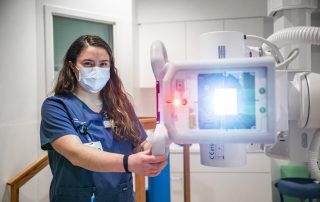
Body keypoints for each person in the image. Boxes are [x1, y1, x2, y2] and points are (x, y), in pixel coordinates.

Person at [40, 35, 167, 202]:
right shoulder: (56, 107)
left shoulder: (120, 105)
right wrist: (129, 163)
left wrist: (152, 153)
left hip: (121, 196)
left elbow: (139, 144)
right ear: (72, 66)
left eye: (103, 64)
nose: (96, 70)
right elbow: (76, 154)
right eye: (88, 64)